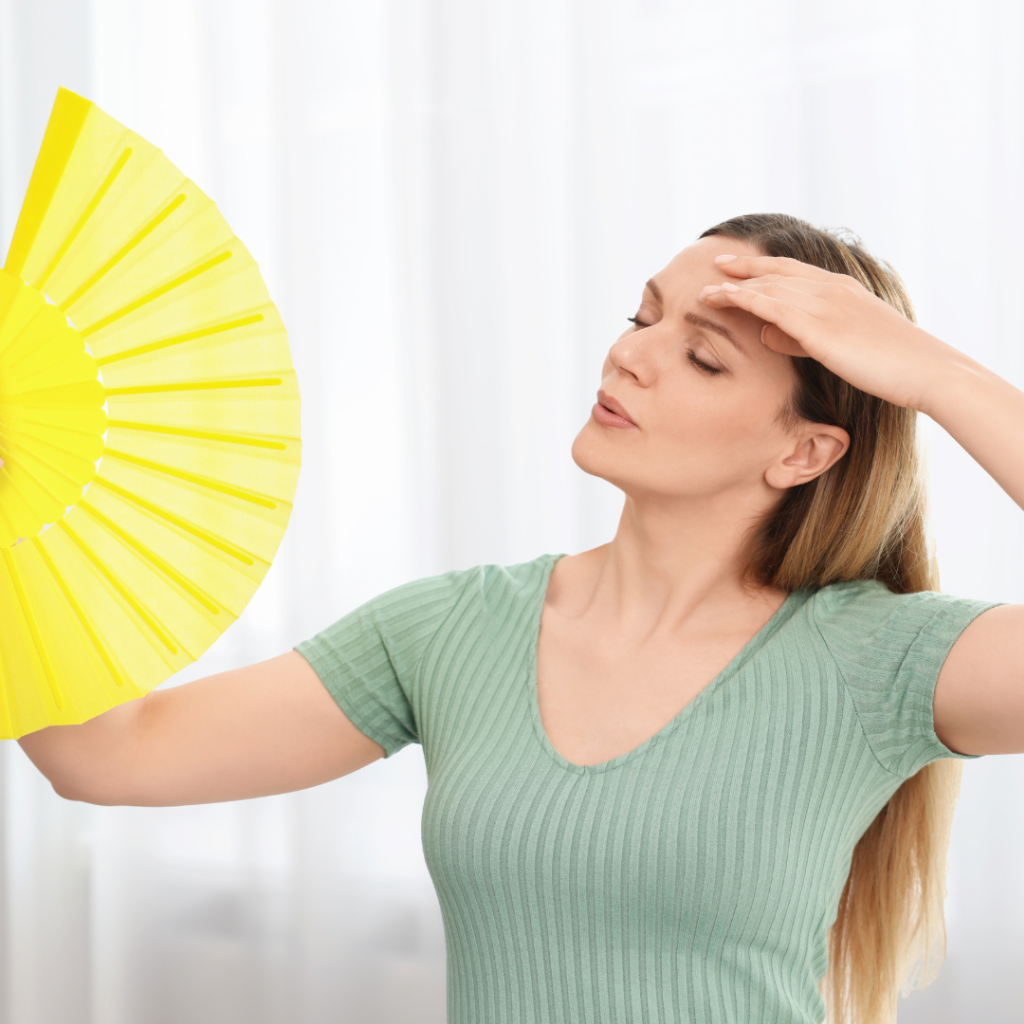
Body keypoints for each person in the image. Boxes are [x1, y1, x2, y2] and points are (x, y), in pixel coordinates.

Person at [17, 213, 1024, 1024]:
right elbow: (107, 753)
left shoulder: (873, 659)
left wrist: (934, 374)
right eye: (641, 317)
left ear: (803, 452)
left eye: (703, 358)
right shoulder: (452, 630)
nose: (629, 357)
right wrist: (17, 493)